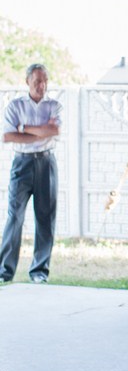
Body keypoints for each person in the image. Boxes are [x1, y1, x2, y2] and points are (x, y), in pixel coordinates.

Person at [0, 63, 61, 283]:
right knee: (14, 217)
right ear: (27, 81)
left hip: (46, 163)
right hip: (22, 164)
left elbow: (54, 131)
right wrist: (39, 132)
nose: (41, 85)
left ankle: (39, 272)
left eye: (44, 81)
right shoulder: (15, 106)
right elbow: (8, 136)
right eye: (37, 81)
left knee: (45, 217)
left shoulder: (54, 105)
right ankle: (4, 272)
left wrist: (23, 128)